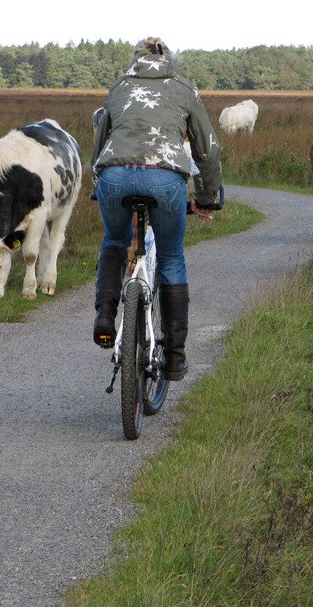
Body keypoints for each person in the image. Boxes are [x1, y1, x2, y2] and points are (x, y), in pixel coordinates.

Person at [91, 37, 223, 381]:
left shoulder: (120, 87)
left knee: (115, 243)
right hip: (165, 180)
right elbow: (207, 147)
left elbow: (101, 140)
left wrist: (98, 185)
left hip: (114, 176)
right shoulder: (183, 89)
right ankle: (176, 357)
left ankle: (105, 315)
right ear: (170, 61)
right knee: (171, 259)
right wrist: (207, 196)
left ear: (136, 60)